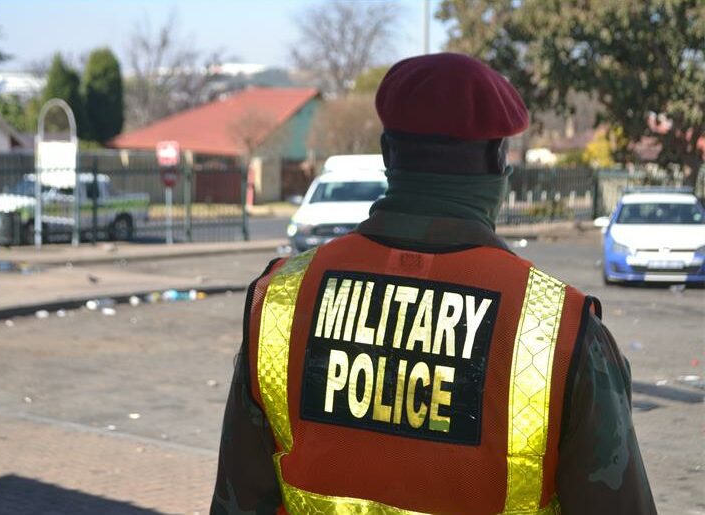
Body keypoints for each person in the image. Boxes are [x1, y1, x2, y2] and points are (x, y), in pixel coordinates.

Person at [211, 53, 656, 515]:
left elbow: (237, 500)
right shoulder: (559, 332)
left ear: (387, 154)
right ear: (498, 163)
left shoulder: (281, 299)